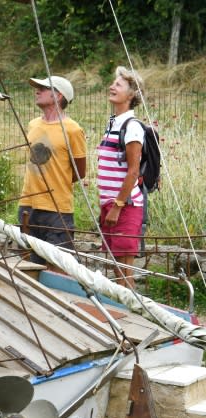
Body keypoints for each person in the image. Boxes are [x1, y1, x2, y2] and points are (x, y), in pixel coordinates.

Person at [18, 76, 87, 268]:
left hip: (57, 210)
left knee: (57, 268)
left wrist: (57, 183)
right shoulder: (33, 125)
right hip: (27, 205)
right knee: (28, 267)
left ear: (58, 95)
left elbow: (80, 172)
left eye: (43, 88)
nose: (37, 91)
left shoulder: (73, 130)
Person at [96, 66, 146, 289]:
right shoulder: (112, 123)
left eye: (118, 84)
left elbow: (133, 171)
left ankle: (133, 312)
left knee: (125, 271)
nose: (111, 86)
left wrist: (117, 205)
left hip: (125, 205)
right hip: (110, 204)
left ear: (131, 94)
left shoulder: (132, 126)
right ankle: (124, 309)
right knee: (116, 268)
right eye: (112, 83)